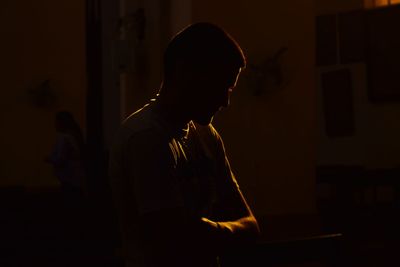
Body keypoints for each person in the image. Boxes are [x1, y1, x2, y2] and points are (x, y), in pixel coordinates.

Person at [108, 22, 260, 267]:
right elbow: (172, 237)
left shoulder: (207, 135)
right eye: (222, 85)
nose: (225, 101)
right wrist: (227, 233)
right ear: (186, 73)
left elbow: (251, 226)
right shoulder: (146, 138)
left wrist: (205, 231)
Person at [46, 111, 87, 207]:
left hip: (69, 179)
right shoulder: (74, 136)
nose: (55, 124)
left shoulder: (64, 138)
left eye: (56, 122)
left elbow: (61, 159)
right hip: (76, 180)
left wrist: (49, 159)